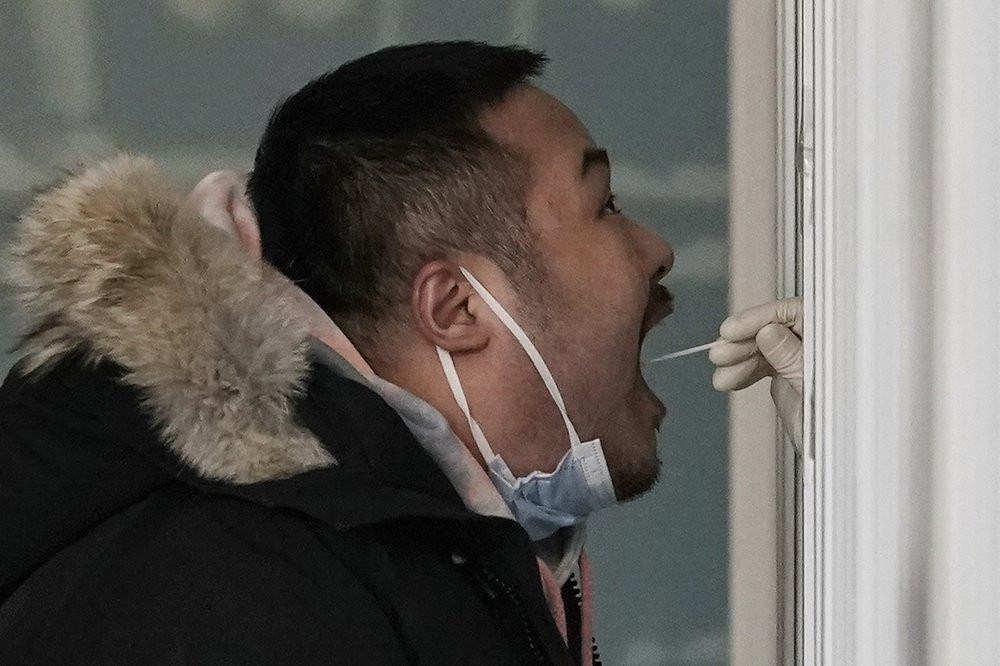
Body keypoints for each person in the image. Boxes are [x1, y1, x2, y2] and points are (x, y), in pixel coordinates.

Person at [0, 41, 802, 664]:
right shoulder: (252, 588)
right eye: (606, 206)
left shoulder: (391, 550)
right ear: (457, 308)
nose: (657, 250)